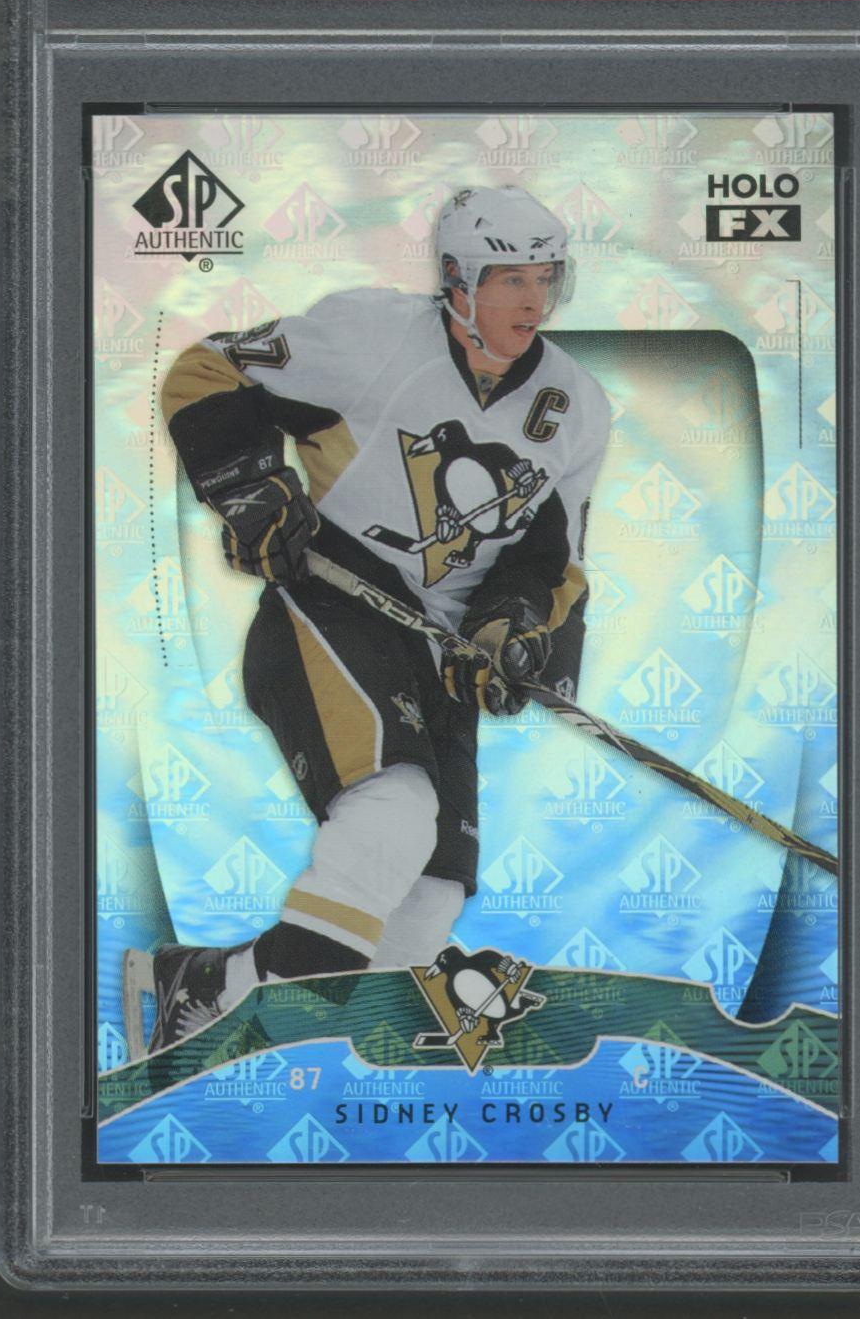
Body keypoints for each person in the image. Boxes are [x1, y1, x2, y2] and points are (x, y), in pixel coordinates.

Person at [125, 185, 610, 1056]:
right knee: (393, 814)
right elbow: (209, 370)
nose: (533, 300)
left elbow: (555, 564)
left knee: (428, 901)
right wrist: (251, 489)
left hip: (441, 655)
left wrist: (515, 632)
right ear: (457, 279)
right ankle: (231, 1017)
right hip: (333, 603)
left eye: (547, 278)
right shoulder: (371, 336)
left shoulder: (576, 406)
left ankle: (213, 997)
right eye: (510, 279)